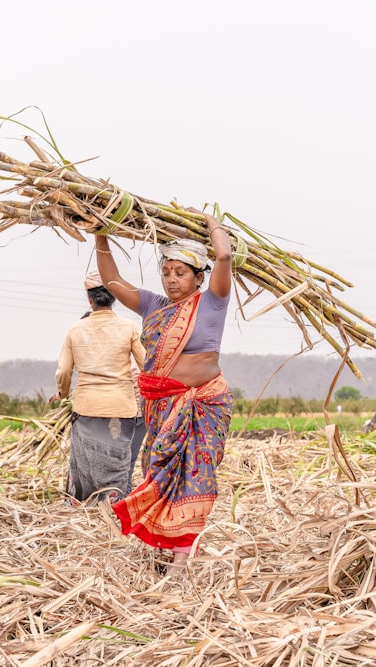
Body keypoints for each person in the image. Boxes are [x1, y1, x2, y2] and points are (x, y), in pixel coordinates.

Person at [94, 207, 234, 575]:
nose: (172, 280)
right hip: (160, 406)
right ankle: (166, 540)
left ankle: (182, 555)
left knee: (195, 475)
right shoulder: (154, 307)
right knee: (159, 473)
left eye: (181, 273)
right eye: (167, 272)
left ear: (198, 277)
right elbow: (111, 280)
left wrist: (210, 222)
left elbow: (224, 255)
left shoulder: (212, 302)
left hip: (202, 404)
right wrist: (100, 233)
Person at [54, 271, 147, 504]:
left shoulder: (75, 329)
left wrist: (63, 395)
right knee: (118, 459)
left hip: (87, 406)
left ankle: (82, 503)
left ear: (90, 299)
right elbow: (147, 364)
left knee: (84, 460)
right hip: (121, 407)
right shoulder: (129, 327)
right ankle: (115, 504)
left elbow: (64, 372)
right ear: (114, 296)